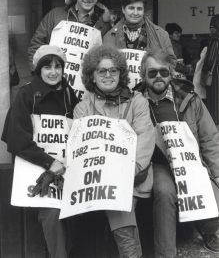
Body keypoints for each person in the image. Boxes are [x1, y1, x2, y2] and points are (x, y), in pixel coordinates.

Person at [135, 49, 219, 257]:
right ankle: (166, 254)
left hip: (189, 159)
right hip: (158, 163)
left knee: (215, 190)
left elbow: (209, 138)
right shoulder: (135, 102)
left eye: (163, 72)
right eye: (152, 73)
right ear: (143, 75)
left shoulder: (190, 99)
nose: (158, 77)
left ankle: (208, 229)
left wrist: (217, 172)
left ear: (171, 73)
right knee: (165, 193)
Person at [73, 45, 155, 258]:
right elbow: (81, 147)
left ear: (121, 73)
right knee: (116, 205)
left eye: (113, 70)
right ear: (92, 74)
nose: (108, 75)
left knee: (119, 205)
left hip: (134, 176)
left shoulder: (138, 101)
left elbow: (145, 137)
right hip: (99, 179)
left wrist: (131, 170)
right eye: (101, 71)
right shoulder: (83, 107)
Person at [2, 45, 79, 258]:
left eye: (58, 66)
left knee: (70, 217)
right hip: (38, 169)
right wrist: (48, 162)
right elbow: (16, 139)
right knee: (51, 215)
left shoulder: (68, 93)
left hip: (65, 168)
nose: (53, 72)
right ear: (38, 69)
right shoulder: (26, 94)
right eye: (47, 67)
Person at [28, 0, 111, 71]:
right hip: (53, 79)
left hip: (85, 82)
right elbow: (36, 45)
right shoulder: (55, 14)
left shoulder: (103, 23)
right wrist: (36, 72)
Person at [103, 0, 176, 65]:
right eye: (131, 8)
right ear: (123, 9)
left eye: (139, 9)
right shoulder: (109, 36)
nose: (135, 13)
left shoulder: (161, 35)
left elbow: (171, 62)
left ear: (144, 10)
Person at [200, 14, 219, 126]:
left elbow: (211, 59)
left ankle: (215, 121)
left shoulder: (215, 39)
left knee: (215, 99)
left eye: (212, 26)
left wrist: (204, 69)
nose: (210, 28)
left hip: (215, 74)